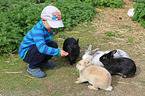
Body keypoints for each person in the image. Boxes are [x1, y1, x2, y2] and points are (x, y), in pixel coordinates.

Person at [18, 6, 68, 78]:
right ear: (44, 20)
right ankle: (32, 67)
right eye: (52, 26)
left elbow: (47, 39)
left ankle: (42, 63)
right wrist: (58, 52)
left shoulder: (47, 28)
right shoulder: (38, 30)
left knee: (53, 45)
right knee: (41, 49)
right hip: (27, 53)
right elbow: (42, 48)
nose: (53, 28)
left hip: (36, 48)